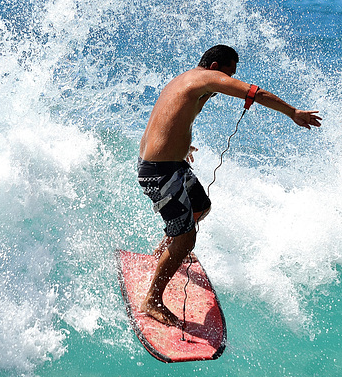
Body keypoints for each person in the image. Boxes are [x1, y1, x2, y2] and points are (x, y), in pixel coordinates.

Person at [137, 45, 322, 326]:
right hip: (160, 171)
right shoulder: (203, 78)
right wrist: (293, 112)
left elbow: (169, 117)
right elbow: (255, 93)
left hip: (170, 164)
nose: (227, 82)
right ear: (214, 67)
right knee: (188, 238)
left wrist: (182, 145)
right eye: (228, 74)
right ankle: (151, 300)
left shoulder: (185, 80)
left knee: (200, 206)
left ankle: (166, 248)